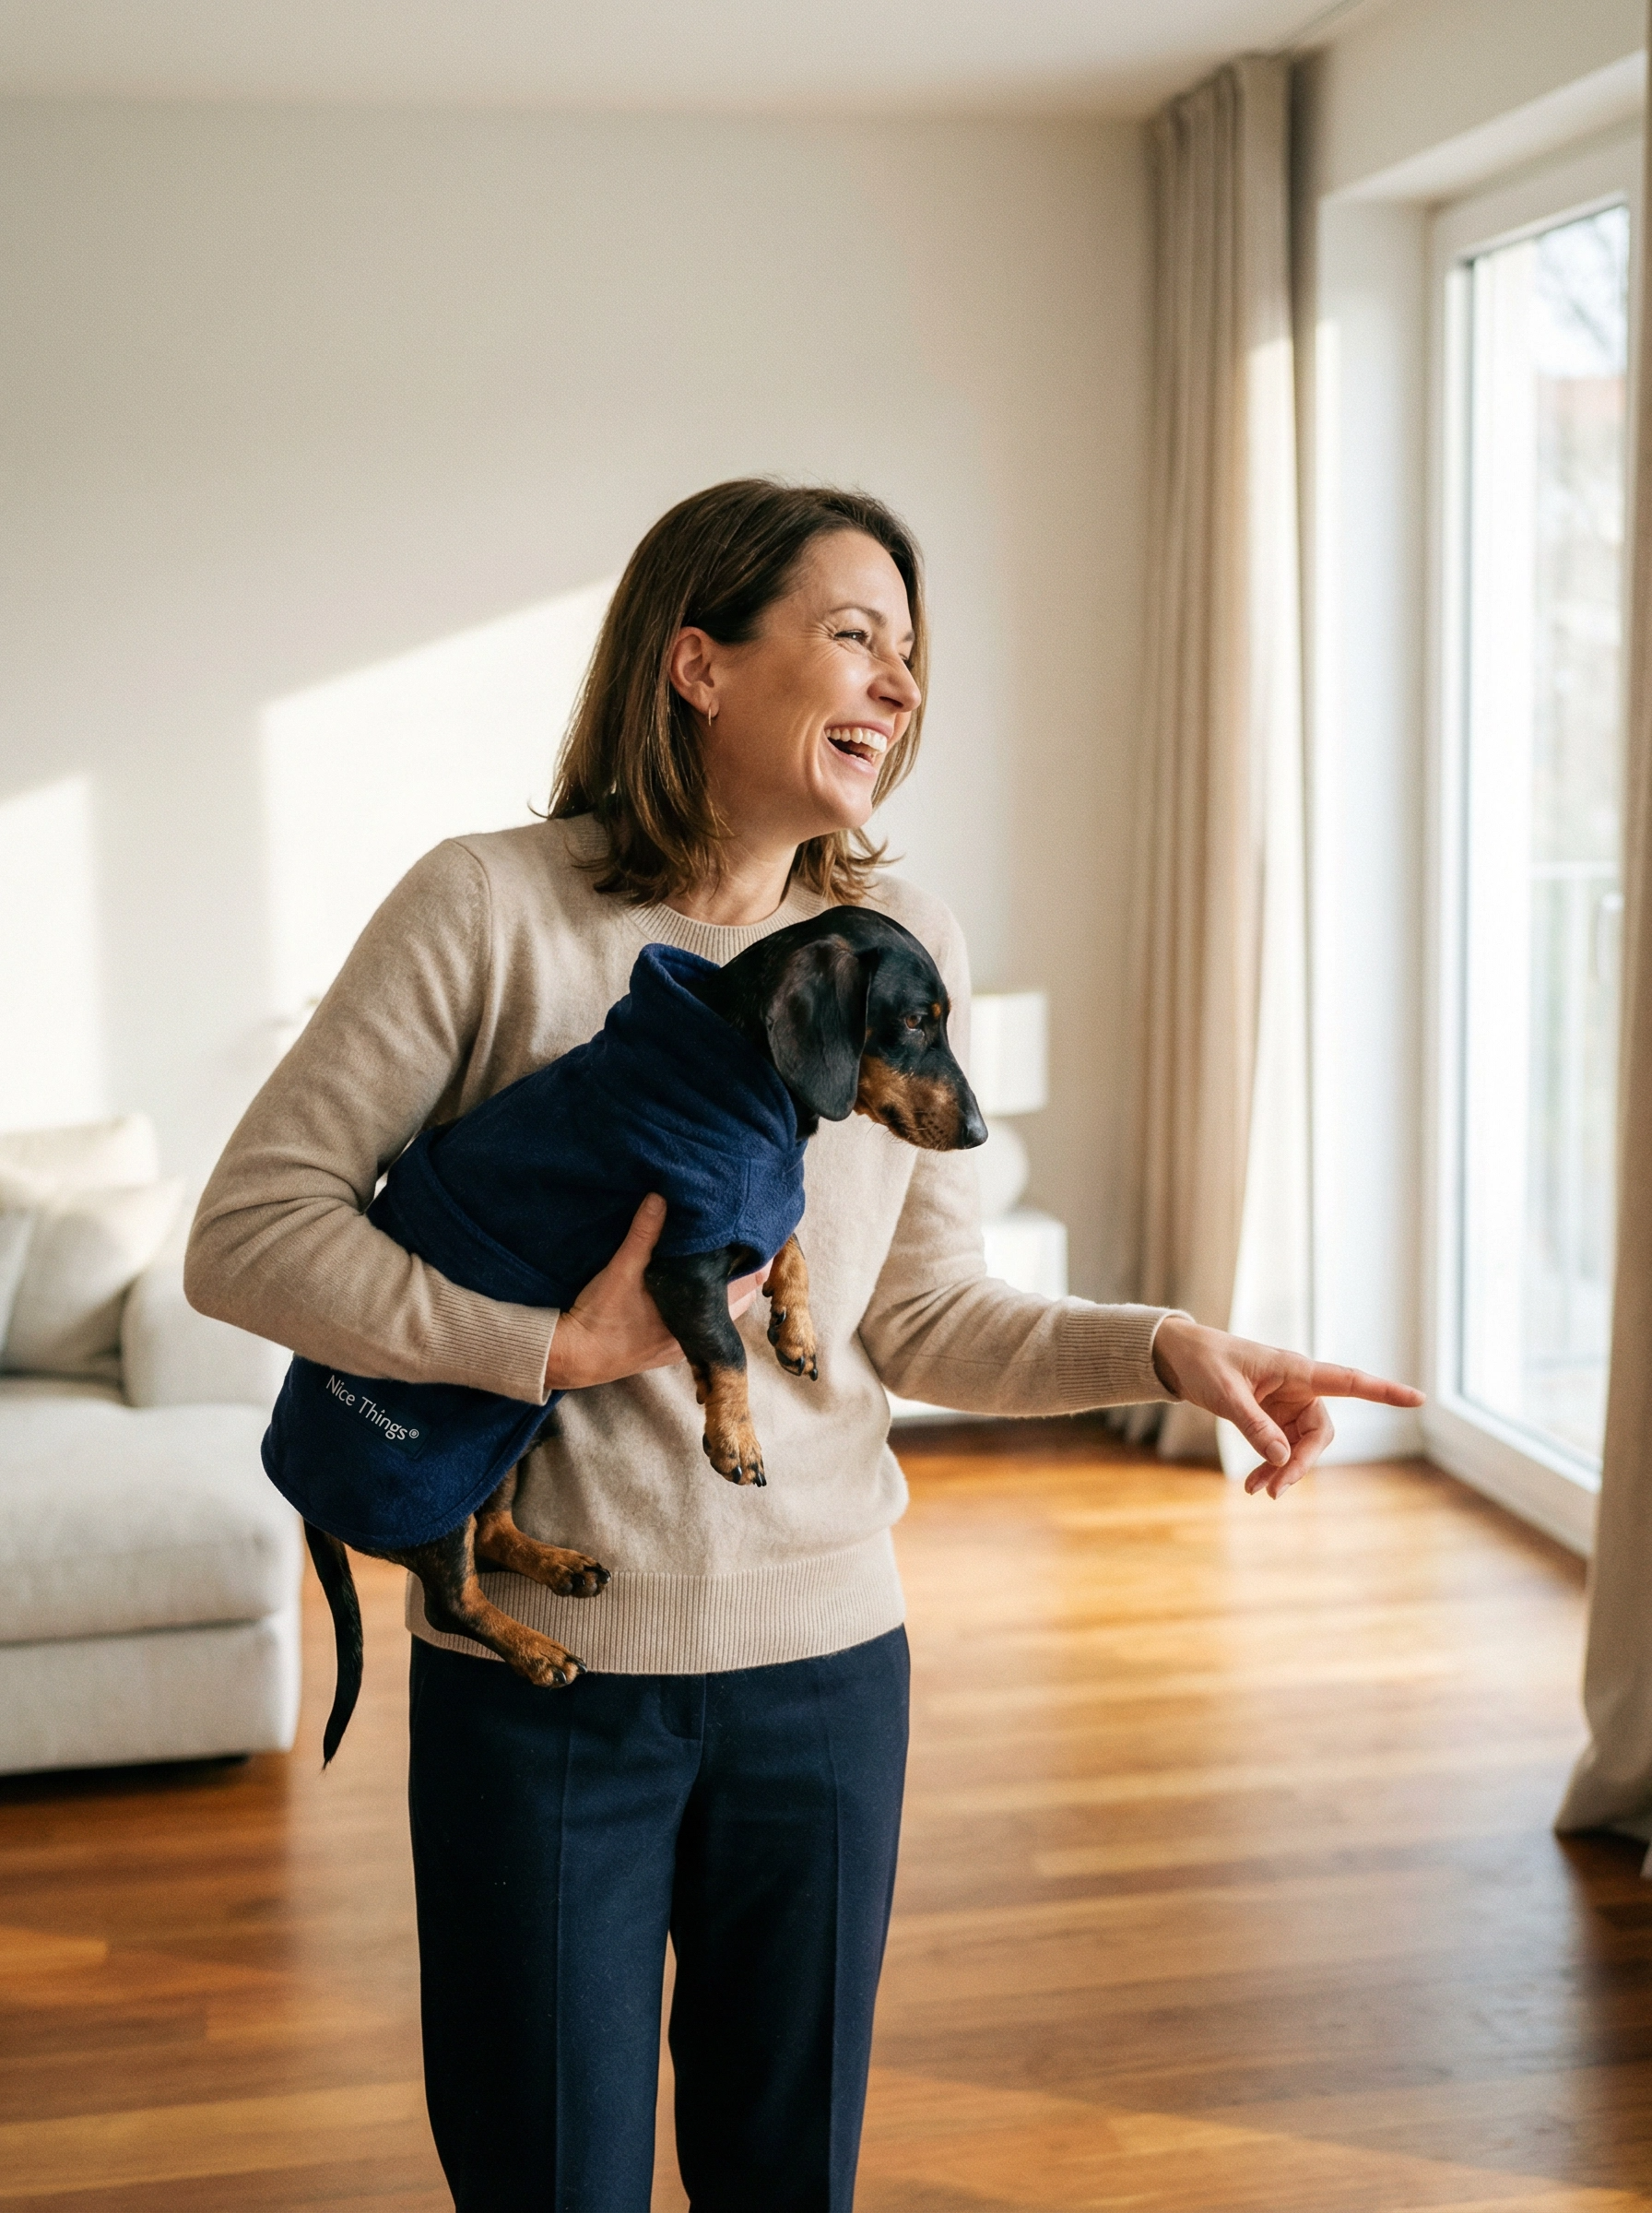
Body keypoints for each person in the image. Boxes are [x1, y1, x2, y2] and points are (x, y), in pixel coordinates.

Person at [186, 478, 1422, 2212]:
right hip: (543, 1691)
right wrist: (544, 1342)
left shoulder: (902, 954)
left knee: (792, 2183)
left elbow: (913, 1314)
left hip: (831, 1673)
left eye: (912, 655)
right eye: (855, 636)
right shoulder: (486, 910)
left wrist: (1168, 1349)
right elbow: (248, 1233)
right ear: (696, 662)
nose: (901, 686)